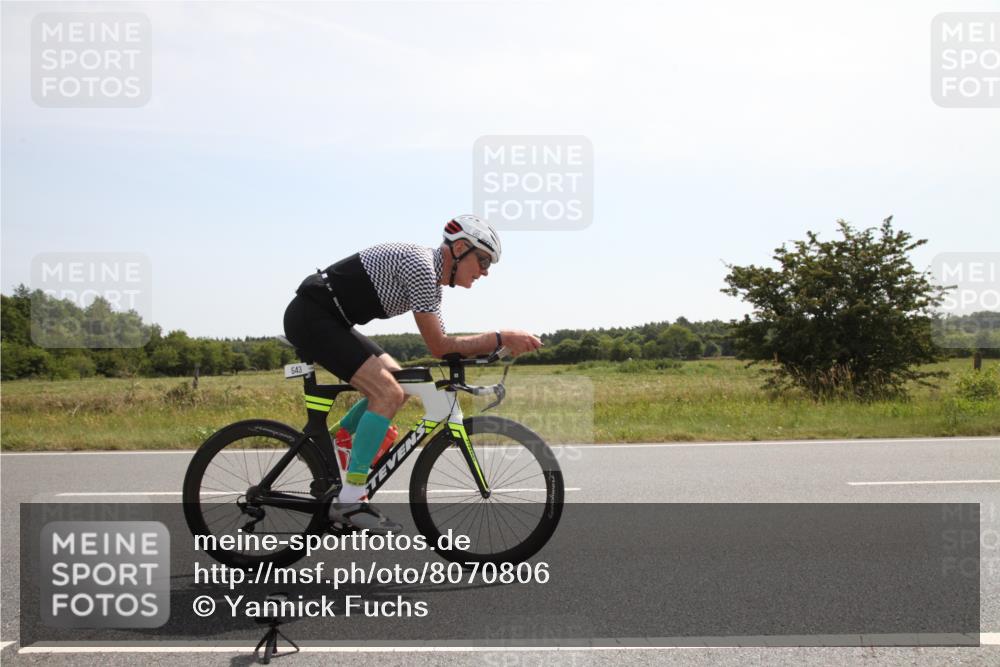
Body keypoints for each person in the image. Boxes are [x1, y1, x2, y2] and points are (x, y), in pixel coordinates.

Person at [283, 215, 543, 533]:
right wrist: (501, 337)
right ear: (460, 248)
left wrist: (491, 349)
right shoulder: (422, 267)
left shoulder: (432, 283)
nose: (485, 271)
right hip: (313, 316)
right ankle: (349, 500)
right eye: (483, 260)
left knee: (400, 384)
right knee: (387, 392)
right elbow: (439, 345)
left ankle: (335, 446)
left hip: (329, 318)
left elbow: (447, 347)